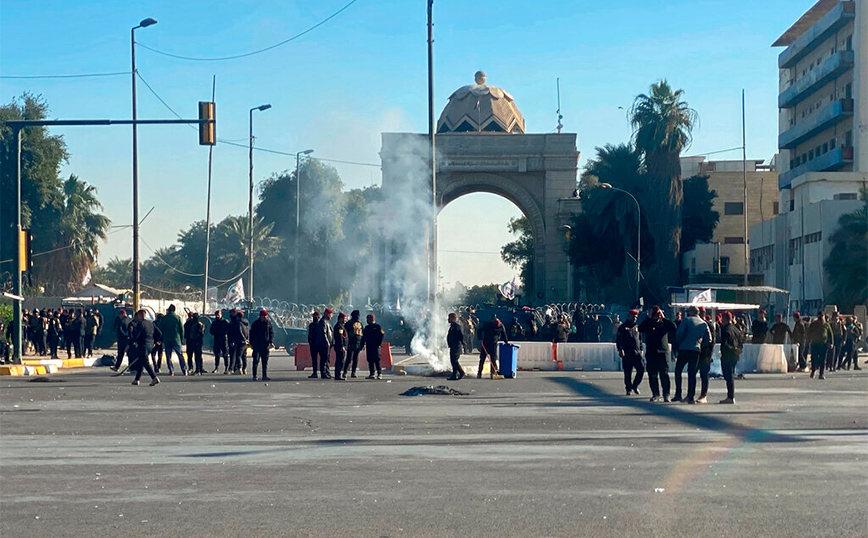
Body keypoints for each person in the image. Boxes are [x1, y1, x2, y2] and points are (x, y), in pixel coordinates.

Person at [673, 306, 712, 404]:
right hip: (696, 350)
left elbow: (679, 333)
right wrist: (700, 344)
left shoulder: (686, 320)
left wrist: (679, 343)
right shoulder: (704, 323)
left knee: (678, 371)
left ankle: (678, 394)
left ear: (691, 312)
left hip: (684, 349)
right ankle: (691, 397)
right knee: (692, 373)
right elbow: (709, 339)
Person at [638, 306, 677, 402]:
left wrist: (664, 317)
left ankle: (666, 394)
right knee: (652, 374)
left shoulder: (664, 324)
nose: (656, 317)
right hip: (651, 352)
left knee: (664, 374)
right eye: (654, 315)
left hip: (662, 351)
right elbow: (640, 328)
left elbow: (673, 326)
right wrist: (648, 317)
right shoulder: (648, 323)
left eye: (657, 314)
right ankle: (655, 394)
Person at [127, 310, 161, 387]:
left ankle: (154, 377)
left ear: (139, 316)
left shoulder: (140, 324)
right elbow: (159, 333)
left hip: (143, 345)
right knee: (141, 361)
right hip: (150, 345)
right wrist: (155, 341)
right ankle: (137, 379)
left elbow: (136, 336)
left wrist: (130, 344)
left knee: (145, 362)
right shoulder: (151, 323)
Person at [616, 309, 644, 396]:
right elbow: (619, 339)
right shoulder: (623, 327)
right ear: (629, 316)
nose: (635, 318)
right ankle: (628, 388)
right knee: (628, 372)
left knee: (641, 369)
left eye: (636, 317)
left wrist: (641, 349)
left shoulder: (637, 327)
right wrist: (620, 349)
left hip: (637, 353)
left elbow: (640, 339)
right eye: (633, 317)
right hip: (627, 353)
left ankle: (635, 386)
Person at [718, 311, 744, 404]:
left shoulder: (725, 329)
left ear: (724, 319)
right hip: (735, 355)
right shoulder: (736, 328)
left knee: (728, 376)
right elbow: (741, 340)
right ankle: (730, 396)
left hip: (728, 355)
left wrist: (732, 349)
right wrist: (738, 349)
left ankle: (730, 396)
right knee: (731, 375)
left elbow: (725, 344)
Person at [158, 305, 186, 376]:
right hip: (176, 339)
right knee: (180, 355)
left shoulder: (164, 318)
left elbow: (160, 329)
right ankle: (184, 370)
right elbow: (181, 330)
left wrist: (161, 339)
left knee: (168, 356)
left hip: (167, 339)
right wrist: (182, 339)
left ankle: (171, 370)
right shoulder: (178, 318)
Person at [697, 309, 717, 404]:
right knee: (692, 372)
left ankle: (703, 395)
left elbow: (712, 341)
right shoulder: (698, 324)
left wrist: (709, 355)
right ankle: (690, 394)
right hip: (697, 352)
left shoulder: (708, 325)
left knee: (704, 374)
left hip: (705, 353)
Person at [806, 311, 832, 380]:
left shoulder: (826, 325)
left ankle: (821, 374)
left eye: (822, 316)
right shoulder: (814, 324)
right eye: (820, 316)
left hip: (823, 344)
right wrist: (808, 339)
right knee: (814, 358)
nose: (821, 318)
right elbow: (809, 332)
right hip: (815, 344)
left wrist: (831, 343)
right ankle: (814, 370)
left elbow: (830, 334)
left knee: (823, 360)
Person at [250, 309, 274, 381]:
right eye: (264, 316)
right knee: (256, 360)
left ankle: (264, 375)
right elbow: (251, 334)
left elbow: (271, 333)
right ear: (260, 316)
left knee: (265, 361)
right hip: (257, 345)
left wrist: (270, 342)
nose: (265, 317)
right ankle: (255, 375)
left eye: (266, 316)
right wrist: (251, 343)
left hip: (265, 345)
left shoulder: (268, 324)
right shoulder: (255, 324)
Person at [360, 313, 385, 379]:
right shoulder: (367, 328)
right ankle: (372, 373)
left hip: (376, 346)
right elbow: (364, 337)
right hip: (369, 346)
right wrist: (362, 344)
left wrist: (379, 343)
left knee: (377, 360)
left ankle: (379, 373)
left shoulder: (377, 327)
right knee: (370, 360)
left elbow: (382, 335)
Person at [313, 309, 335, 379]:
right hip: (323, 344)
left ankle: (327, 372)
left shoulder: (327, 322)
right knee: (324, 359)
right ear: (327, 314)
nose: (331, 316)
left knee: (327, 359)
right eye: (330, 314)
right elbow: (323, 333)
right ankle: (323, 373)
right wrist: (327, 342)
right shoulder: (322, 322)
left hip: (328, 344)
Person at [342, 310, 364, 379]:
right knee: (349, 359)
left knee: (355, 358)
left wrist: (362, 344)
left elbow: (362, 334)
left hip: (358, 343)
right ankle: (345, 372)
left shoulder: (360, 323)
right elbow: (345, 334)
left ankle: (353, 372)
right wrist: (346, 343)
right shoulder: (349, 323)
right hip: (351, 343)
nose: (357, 317)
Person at [228, 310, 250, 375]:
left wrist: (244, 339)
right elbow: (248, 331)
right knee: (244, 356)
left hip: (240, 341)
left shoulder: (238, 323)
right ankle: (244, 369)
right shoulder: (246, 322)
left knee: (238, 355)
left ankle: (239, 368)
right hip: (245, 342)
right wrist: (247, 340)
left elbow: (240, 332)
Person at [209, 310, 231, 374]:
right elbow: (211, 331)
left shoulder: (225, 322)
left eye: (218, 315)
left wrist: (223, 333)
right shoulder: (214, 323)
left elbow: (228, 330)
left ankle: (226, 367)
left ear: (221, 314)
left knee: (225, 354)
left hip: (224, 339)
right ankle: (216, 367)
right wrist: (216, 333)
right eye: (216, 315)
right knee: (217, 354)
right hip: (217, 339)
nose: (217, 316)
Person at [446, 312, 466, 380]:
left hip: (456, 345)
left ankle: (461, 372)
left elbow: (461, 335)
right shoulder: (452, 326)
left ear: (454, 318)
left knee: (454, 360)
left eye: (450, 318)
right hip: (453, 345)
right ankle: (454, 375)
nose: (448, 319)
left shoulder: (457, 326)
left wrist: (463, 342)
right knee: (452, 360)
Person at [332, 312, 348, 381]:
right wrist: (342, 346)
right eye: (344, 318)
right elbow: (340, 337)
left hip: (341, 346)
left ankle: (338, 374)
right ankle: (338, 375)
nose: (345, 320)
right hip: (340, 346)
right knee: (340, 361)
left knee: (341, 360)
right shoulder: (339, 327)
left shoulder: (341, 326)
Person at [307, 311, 321, 379]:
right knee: (314, 359)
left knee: (322, 359)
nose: (314, 317)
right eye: (314, 316)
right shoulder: (311, 325)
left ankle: (323, 372)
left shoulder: (320, 325)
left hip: (319, 344)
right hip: (313, 343)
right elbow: (309, 334)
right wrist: (309, 341)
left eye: (316, 316)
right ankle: (314, 372)